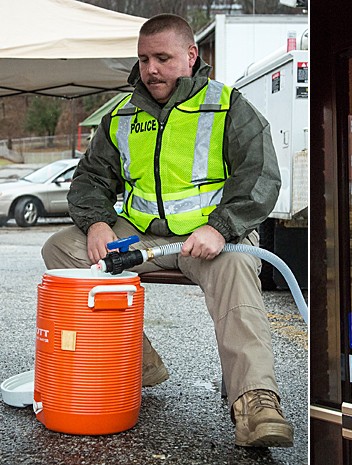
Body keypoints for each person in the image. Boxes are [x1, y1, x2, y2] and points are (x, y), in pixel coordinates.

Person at [41, 13, 293, 448]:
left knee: (237, 270)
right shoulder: (120, 115)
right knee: (62, 250)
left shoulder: (229, 106)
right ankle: (138, 362)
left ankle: (255, 403)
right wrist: (98, 222)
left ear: (191, 55)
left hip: (209, 238)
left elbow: (260, 177)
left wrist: (221, 227)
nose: (151, 69)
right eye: (143, 59)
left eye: (162, 57)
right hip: (144, 236)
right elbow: (90, 179)